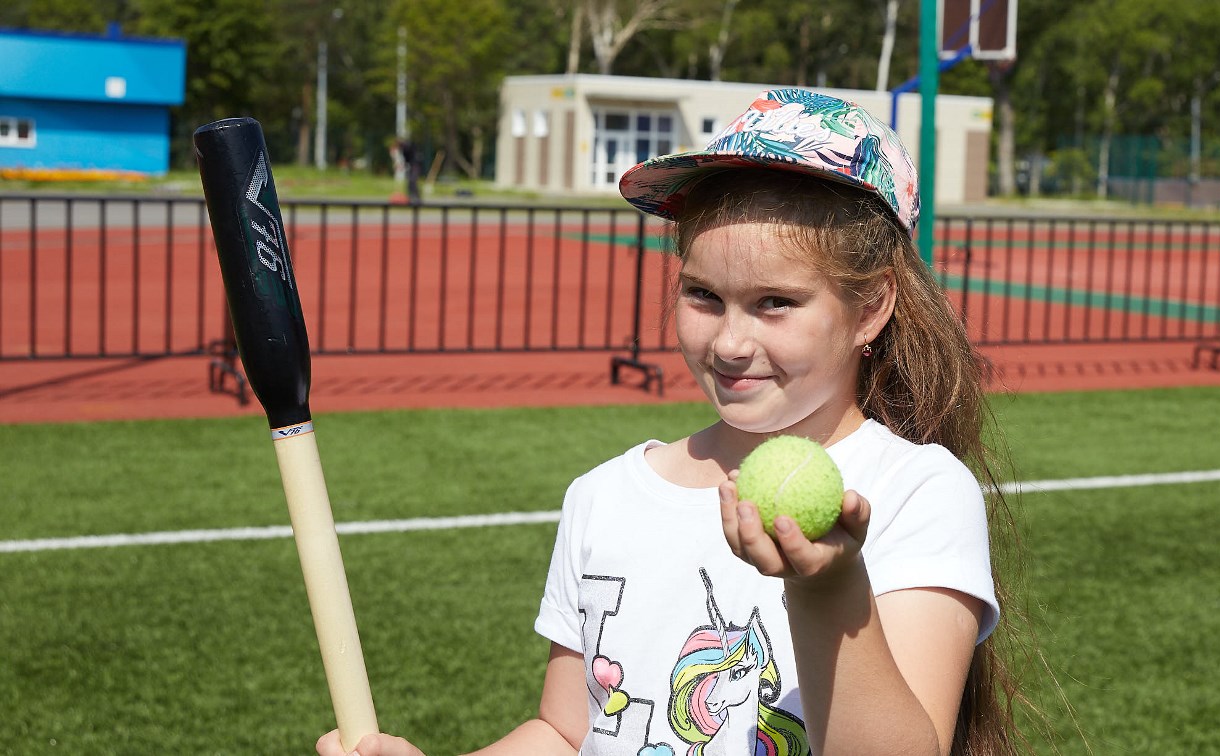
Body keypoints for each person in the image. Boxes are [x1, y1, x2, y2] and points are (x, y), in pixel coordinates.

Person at [318, 88, 1026, 756]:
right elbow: (565, 732)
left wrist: (826, 589)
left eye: (775, 302)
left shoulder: (917, 491)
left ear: (869, 309)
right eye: (704, 296)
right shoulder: (602, 495)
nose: (729, 343)